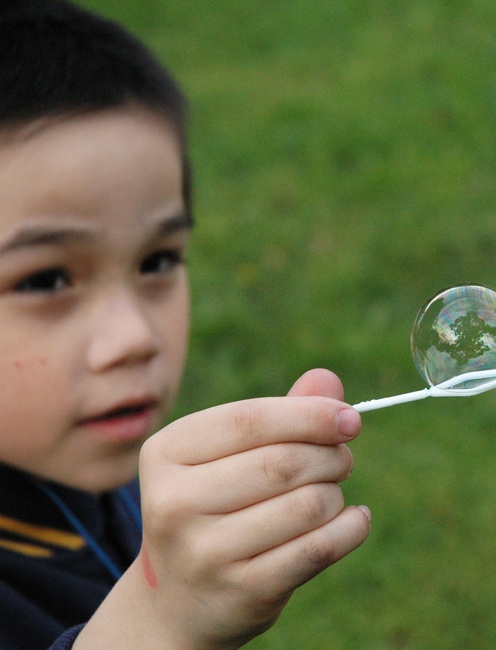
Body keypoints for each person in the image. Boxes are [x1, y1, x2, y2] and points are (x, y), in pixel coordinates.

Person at [0, 1, 371, 648]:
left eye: (158, 261)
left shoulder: (106, 482)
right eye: (45, 279)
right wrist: (157, 620)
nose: (135, 337)